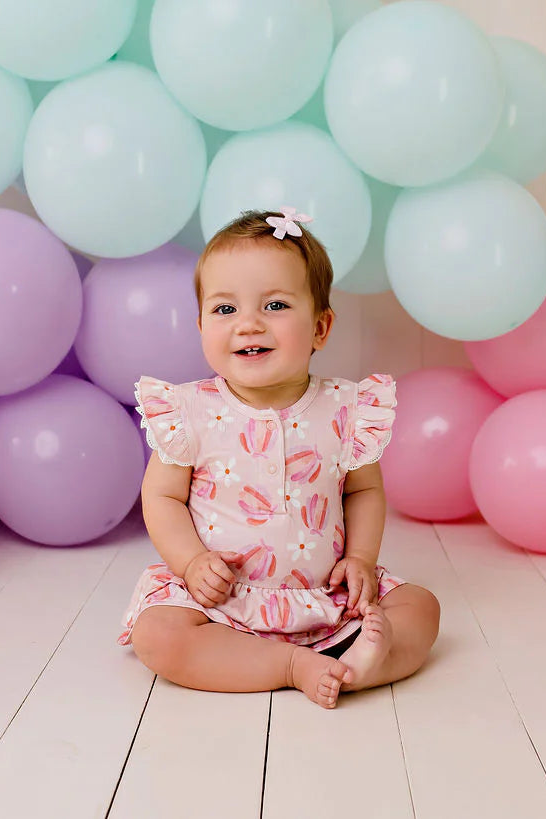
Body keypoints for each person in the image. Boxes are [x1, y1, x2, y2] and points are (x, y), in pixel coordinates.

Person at [118, 208, 440, 709]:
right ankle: (292, 666)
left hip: (323, 597)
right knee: (159, 634)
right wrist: (192, 561)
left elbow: (364, 490)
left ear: (320, 326)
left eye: (274, 305)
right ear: (200, 323)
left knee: (422, 608)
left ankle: (358, 665)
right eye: (225, 310)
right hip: (224, 600)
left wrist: (360, 559)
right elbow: (160, 496)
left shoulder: (345, 409)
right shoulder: (191, 411)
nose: (248, 324)